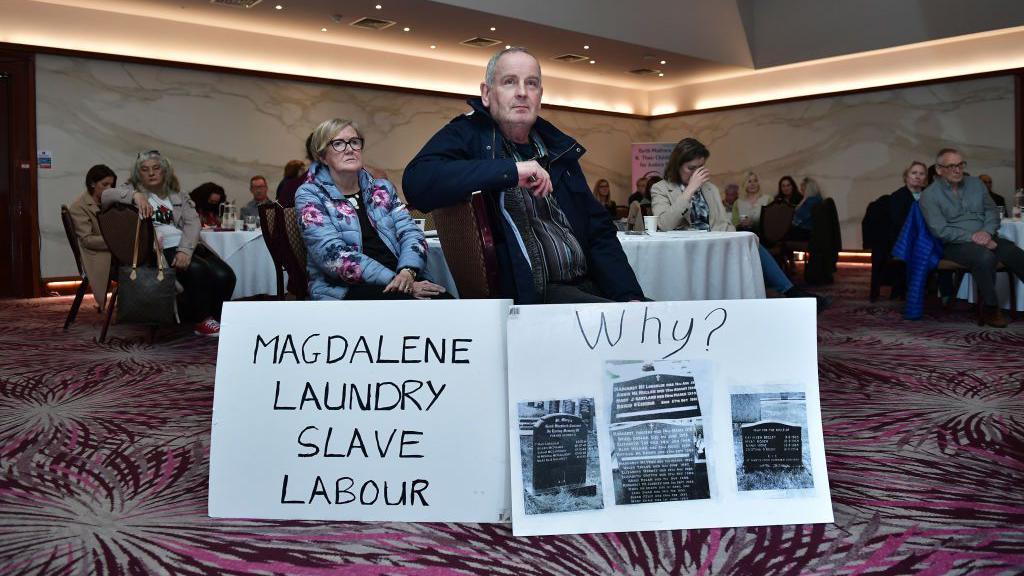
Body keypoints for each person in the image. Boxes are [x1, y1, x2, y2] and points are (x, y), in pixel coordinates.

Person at [403, 47, 644, 304]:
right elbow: (416, 181)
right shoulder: (468, 133)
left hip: (590, 284)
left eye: (531, 84)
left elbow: (599, 232)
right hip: (534, 294)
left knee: (659, 319)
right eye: (509, 82)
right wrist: (510, 171)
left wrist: (629, 297)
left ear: (540, 96)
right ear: (486, 93)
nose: (522, 92)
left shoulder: (556, 147)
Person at [650, 137, 831, 311]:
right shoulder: (660, 188)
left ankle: (789, 293)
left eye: (701, 168)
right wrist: (689, 190)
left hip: (714, 243)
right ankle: (791, 293)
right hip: (687, 248)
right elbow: (665, 223)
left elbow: (724, 222)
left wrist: (731, 238)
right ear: (677, 165)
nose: (697, 174)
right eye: (691, 168)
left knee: (751, 241)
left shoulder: (710, 189)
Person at [295, 118, 447, 301]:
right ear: (322, 156)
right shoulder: (310, 194)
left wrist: (407, 272)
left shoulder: (382, 189)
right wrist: (397, 282)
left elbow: (411, 233)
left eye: (354, 142)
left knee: (449, 304)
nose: (349, 149)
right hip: (345, 288)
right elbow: (332, 255)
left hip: (402, 276)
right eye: (338, 144)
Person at [102, 151, 236, 336]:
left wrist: (185, 251)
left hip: (187, 244)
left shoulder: (177, 195)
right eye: (145, 169)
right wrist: (135, 196)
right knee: (199, 270)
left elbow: (193, 222)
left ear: (165, 171)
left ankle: (216, 317)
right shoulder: (130, 190)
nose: (151, 173)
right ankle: (201, 320)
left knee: (225, 274)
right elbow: (106, 195)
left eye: (156, 168)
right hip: (158, 250)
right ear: (138, 173)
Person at [920, 148, 1024, 328]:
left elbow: (992, 211)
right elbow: (940, 230)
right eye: (951, 166)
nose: (957, 170)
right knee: (984, 257)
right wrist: (975, 237)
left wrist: (987, 232)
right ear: (939, 169)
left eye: (960, 165)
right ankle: (991, 308)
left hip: (987, 235)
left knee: (1014, 252)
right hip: (955, 244)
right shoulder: (929, 195)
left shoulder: (976, 184)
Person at [68, 164, 117, 311]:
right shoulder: (79, 207)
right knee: (135, 266)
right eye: (105, 184)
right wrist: (117, 242)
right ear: (92, 183)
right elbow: (87, 240)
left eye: (112, 185)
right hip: (98, 255)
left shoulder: (108, 201)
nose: (109, 188)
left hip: (112, 251)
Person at [786, 177, 824, 241]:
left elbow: (797, 220)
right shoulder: (818, 199)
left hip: (807, 232)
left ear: (808, 188)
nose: (800, 189)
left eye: (802, 187)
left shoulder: (810, 201)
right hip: (814, 232)